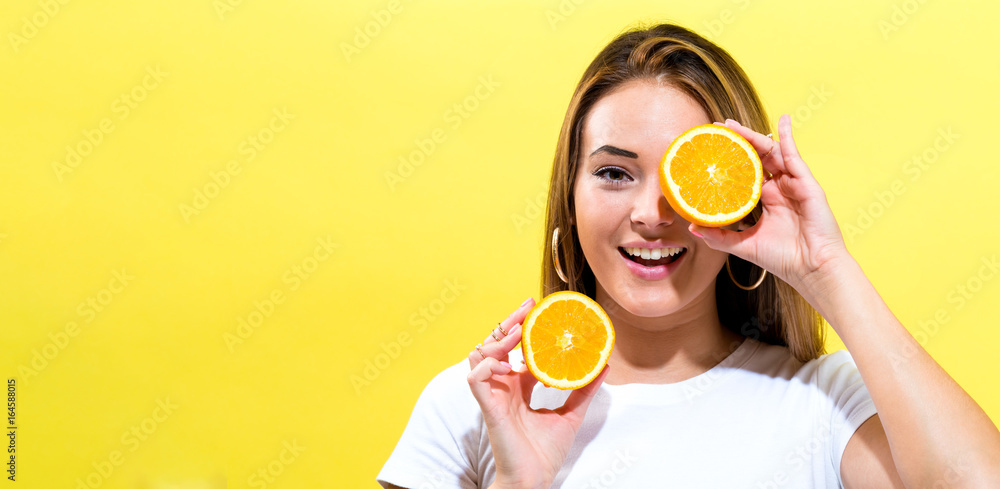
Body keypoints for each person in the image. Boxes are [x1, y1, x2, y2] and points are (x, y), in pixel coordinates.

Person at [377, 23, 1000, 488]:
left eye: (682, 180)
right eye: (615, 173)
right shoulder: (477, 404)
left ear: (736, 201)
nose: (651, 213)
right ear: (570, 201)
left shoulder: (824, 402)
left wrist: (824, 269)